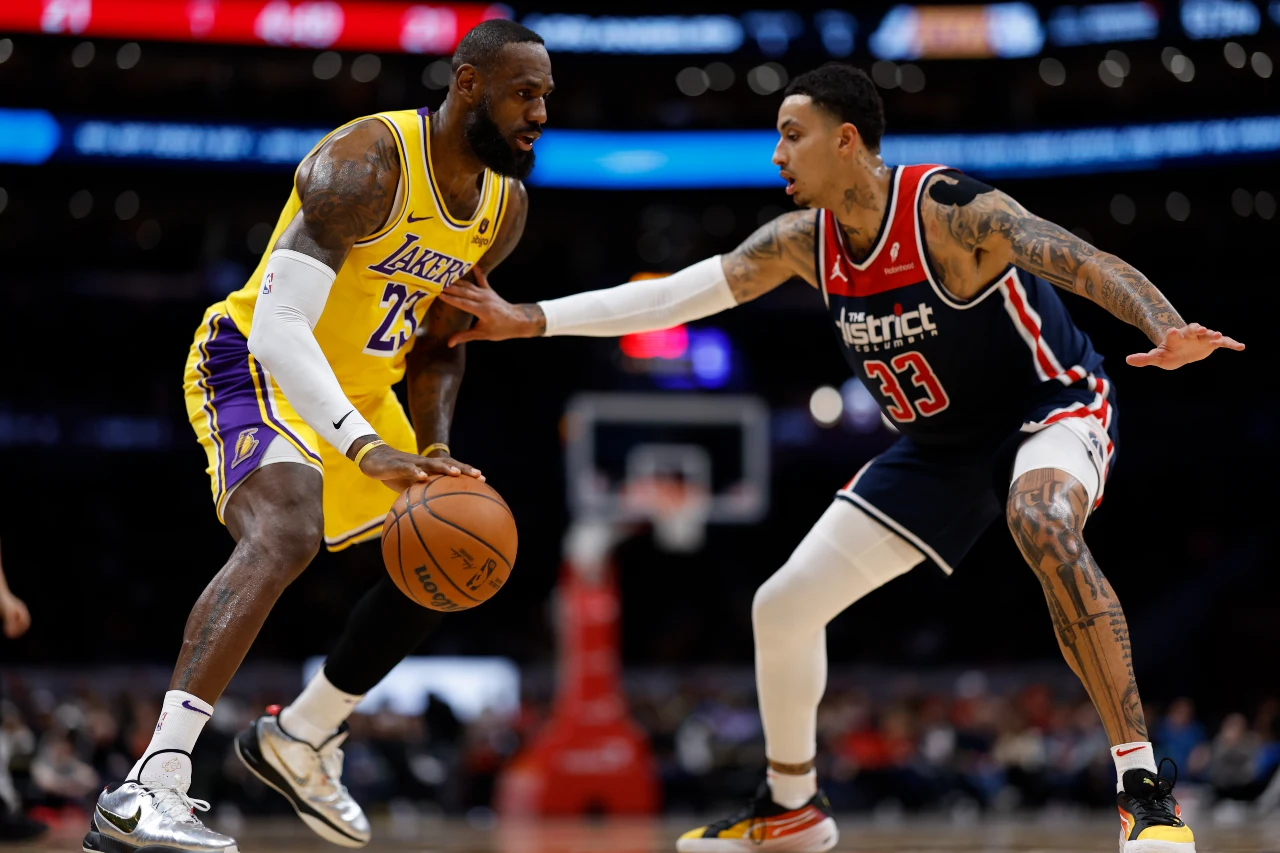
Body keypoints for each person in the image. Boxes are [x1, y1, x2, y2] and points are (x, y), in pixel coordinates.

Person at [439, 63, 1242, 853]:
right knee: (781, 605)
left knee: (1038, 519)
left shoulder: (948, 210)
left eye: (792, 135)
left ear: (846, 140)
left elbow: (1077, 255)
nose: (778, 155)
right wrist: (527, 319)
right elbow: (673, 295)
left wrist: (1163, 325)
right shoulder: (802, 242)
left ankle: (1145, 793)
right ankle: (791, 807)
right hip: (938, 447)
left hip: (1048, 408)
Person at [85, 20, 551, 853]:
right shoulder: (364, 163)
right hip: (256, 362)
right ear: (469, 84)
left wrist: (435, 447)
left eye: (547, 96)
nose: (540, 112)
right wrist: (360, 445)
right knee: (288, 529)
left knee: (456, 557)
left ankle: (301, 736)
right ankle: (148, 785)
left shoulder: (503, 208)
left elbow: (442, 342)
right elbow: (279, 322)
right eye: (525, 92)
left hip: (368, 390)